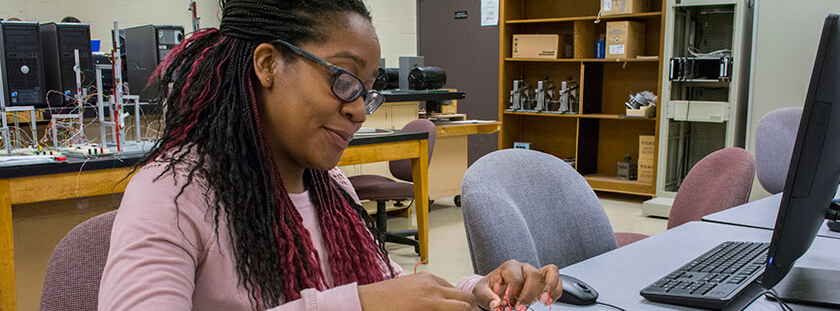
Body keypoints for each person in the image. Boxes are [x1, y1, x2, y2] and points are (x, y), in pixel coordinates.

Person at [98, 0, 564, 310]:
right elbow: (372, 298)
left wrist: (474, 291)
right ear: (267, 65)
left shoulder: (331, 189)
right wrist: (359, 305)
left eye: (368, 89)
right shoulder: (173, 194)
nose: (359, 109)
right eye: (344, 78)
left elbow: (388, 282)